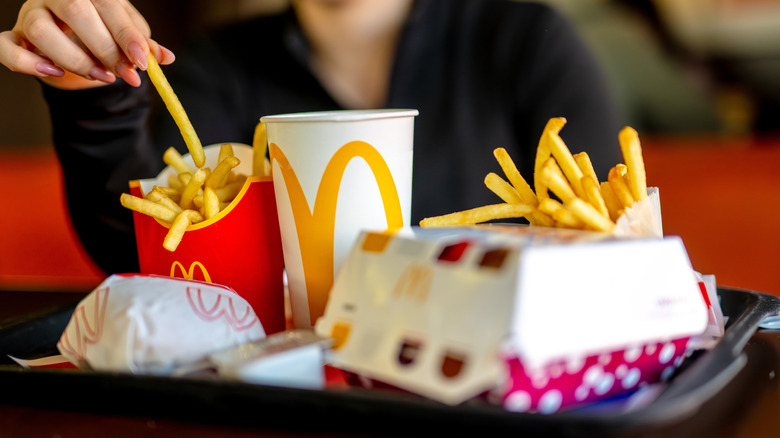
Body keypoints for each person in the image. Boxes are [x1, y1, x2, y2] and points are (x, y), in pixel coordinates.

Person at [0, 0, 621, 274]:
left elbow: (609, 240)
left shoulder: (527, 42)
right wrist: (89, 88)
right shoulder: (220, 67)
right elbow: (148, 248)